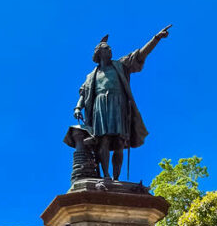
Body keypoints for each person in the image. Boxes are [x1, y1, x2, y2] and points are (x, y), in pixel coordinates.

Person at [72, 26, 171, 180]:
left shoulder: (121, 65)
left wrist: (156, 38)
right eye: (107, 48)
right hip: (100, 106)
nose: (110, 50)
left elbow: (140, 54)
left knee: (119, 142)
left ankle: (117, 179)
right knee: (103, 140)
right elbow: (84, 93)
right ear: (99, 53)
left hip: (118, 105)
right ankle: (106, 176)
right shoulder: (92, 75)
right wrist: (78, 107)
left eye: (110, 48)